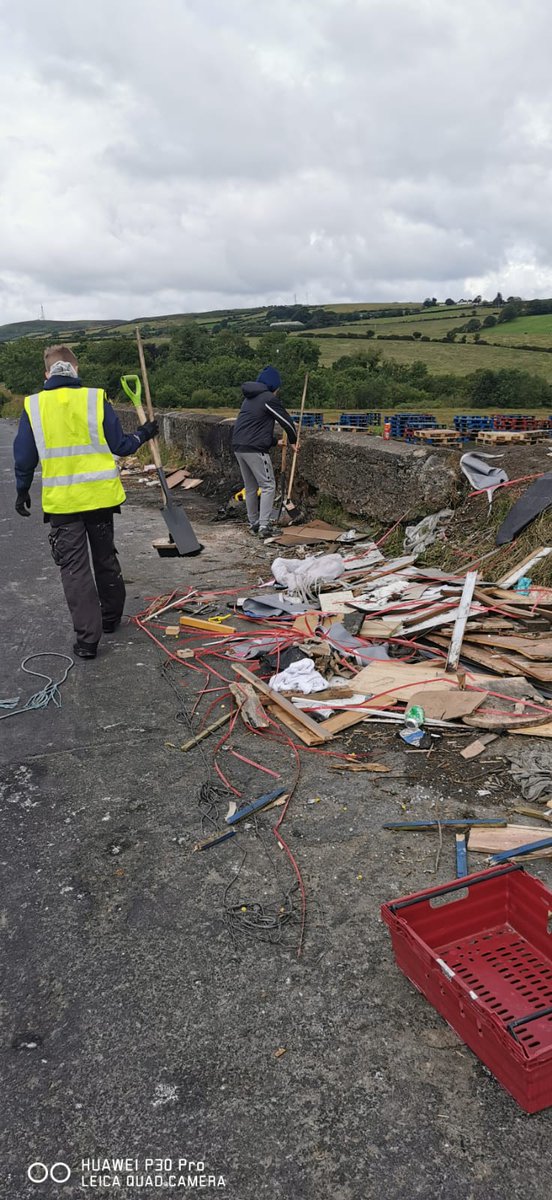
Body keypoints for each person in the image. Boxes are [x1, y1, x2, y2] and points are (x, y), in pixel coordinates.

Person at [13, 344, 159, 660]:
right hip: (100, 500)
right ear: (76, 370)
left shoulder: (34, 406)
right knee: (105, 559)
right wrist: (145, 433)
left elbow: (24, 458)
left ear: (46, 373)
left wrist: (22, 490)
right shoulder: (95, 398)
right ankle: (110, 620)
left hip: (63, 505)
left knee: (74, 569)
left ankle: (88, 640)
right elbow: (121, 445)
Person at [232, 366, 297, 538]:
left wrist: (276, 442)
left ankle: (253, 523)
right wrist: (293, 440)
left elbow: (253, 428)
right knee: (268, 486)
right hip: (255, 450)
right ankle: (264, 527)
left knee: (251, 487)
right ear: (274, 386)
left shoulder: (249, 399)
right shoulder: (268, 398)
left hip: (239, 447)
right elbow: (286, 421)